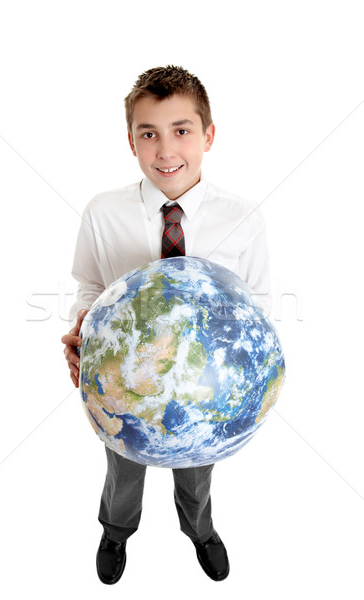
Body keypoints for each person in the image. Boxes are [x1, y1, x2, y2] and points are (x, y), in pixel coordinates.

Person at [61, 65, 271, 584]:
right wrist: (82, 330)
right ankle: (116, 530)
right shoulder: (102, 213)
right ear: (130, 141)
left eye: (181, 130)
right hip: (127, 380)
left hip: (208, 386)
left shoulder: (242, 218)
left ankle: (199, 529)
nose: (165, 150)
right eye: (148, 133)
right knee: (122, 464)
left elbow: (258, 302)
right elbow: (89, 285)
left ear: (209, 135)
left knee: (197, 468)